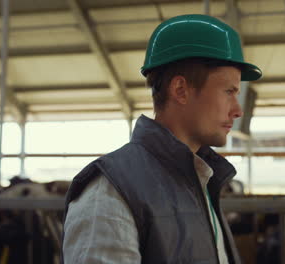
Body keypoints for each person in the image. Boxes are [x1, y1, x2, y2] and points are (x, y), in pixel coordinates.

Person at [61, 14, 262, 263]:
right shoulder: (110, 191)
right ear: (180, 90)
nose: (237, 110)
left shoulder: (202, 181)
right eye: (229, 91)